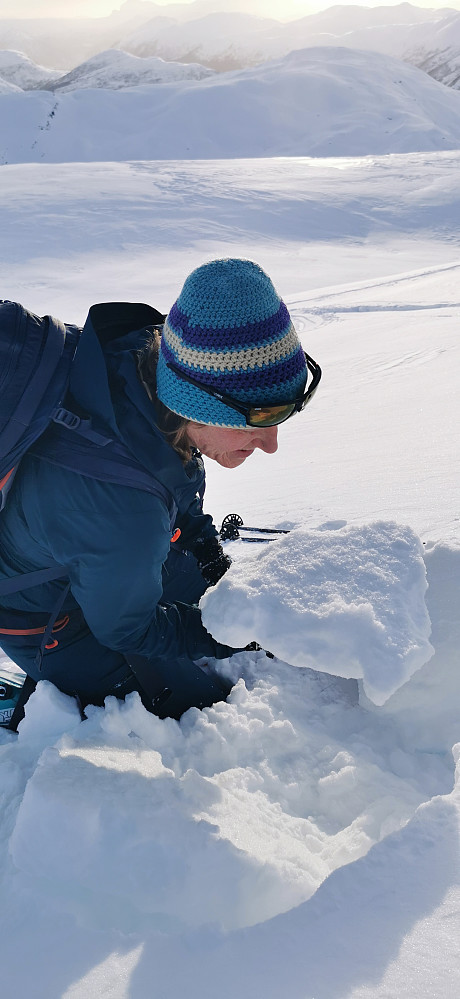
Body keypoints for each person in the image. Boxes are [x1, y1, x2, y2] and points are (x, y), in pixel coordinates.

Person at [0, 258, 320, 724]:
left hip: (100, 554)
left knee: (207, 599)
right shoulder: (121, 512)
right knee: (195, 710)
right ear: (199, 405)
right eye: (261, 419)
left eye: (287, 413)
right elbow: (128, 628)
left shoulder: (143, 368)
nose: (271, 444)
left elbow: (174, 486)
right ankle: (27, 711)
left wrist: (211, 562)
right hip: (47, 616)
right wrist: (235, 633)